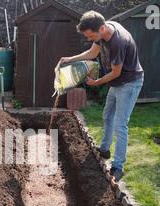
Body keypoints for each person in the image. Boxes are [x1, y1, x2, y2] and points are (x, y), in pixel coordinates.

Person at [58, 11, 144, 181]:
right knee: (107, 115)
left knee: (121, 124)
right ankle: (104, 149)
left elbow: (116, 72)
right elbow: (91, 53)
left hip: (129, 83)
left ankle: (118, 166)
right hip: (117, 82)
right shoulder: (103, 30)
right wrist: (69, 59)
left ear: (102, 29)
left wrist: (97, 82)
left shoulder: (118, 42)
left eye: (91, 36)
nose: (90, 39)